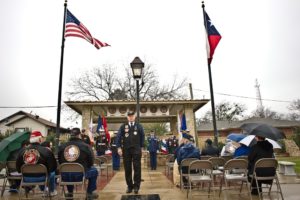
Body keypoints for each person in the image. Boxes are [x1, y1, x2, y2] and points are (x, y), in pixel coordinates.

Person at [58, 127, 99, 200]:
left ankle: (70, 193)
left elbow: (60, 161)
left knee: (68, 171)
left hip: (65, 175)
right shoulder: (86, 146)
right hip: (80, 175)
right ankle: (89, 193)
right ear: (79, 135)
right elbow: (91, 162)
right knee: (94, 171)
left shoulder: (62, 146)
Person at [16, 131, 57, 196]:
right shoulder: (46, 151)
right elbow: (52, 167)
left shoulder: (22, 151)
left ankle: (45, 190)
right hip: (42, 178)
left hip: (26, 178)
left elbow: (18, 169)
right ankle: (51, 191)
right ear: (40, 139)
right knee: (52, 173)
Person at [116, 111, 145, 194]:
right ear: (127, 117)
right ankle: (129, 186)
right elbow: (118, 137)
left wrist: (142, 147)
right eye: (129, 116)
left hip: (136, 150)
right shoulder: (123, 126)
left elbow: (142, 136)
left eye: (132, 116)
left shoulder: (139, 126)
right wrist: (118, 148)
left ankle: (136, 186)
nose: (131, 117)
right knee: (127, 169)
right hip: (126, 150)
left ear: (134, 117)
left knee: (137, 168)